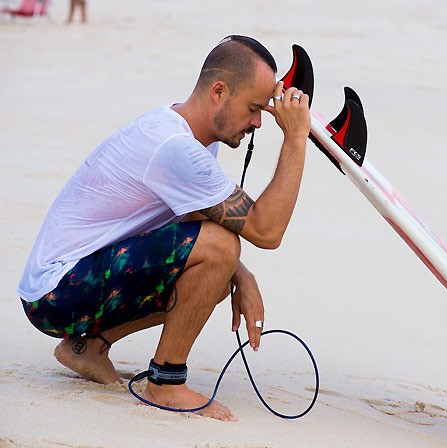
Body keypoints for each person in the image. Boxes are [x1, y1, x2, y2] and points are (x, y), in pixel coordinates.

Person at [17, 35, 311, 421]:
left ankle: (90, 347)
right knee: (222, 248)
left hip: (65, 283)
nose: (258, 122)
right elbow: (266, 231)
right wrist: (295, 137)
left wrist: (242, 277)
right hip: (57, 293)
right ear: (219, 91)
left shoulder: (187, 136)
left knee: (218, 274)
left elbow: (191, 225)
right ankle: (166, 383)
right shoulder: (175, 148)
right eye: (254, 109)